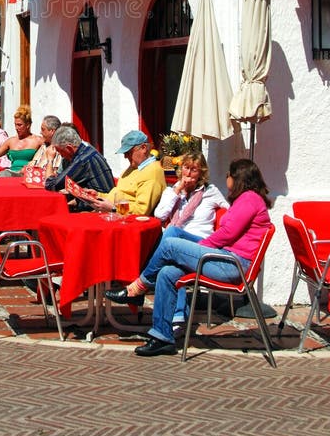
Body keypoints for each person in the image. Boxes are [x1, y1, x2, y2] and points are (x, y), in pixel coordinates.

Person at [106, 158, 272, 356]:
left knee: (169, 244)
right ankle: (162, 337)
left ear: (238, 178)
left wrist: (198, 248)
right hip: (224, 259)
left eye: (229, 175)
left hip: (232, 265)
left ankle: (138, 287)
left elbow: (227, 233)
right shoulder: (245, 199)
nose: (226, 178)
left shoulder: (249, 199)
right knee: (167, 272)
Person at [106, 146, 228, 325]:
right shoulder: (173, 191)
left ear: (201, 172)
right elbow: (160, 215)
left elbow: (229, 212)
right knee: (170, 265)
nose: (188, 173)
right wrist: (177, 191)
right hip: (176, 245)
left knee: (170, 234)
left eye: (193, 169)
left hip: (198, 243)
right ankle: (178, 317)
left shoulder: (210, 192)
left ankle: (139, 285)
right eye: (186, 168)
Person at [85, 130, 166, 216]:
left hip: (130, 224)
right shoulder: (134, 167)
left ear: (143, 148)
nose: (125, 156)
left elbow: (141, 211)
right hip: (115, 216)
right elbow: (119, 195)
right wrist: (98, 195)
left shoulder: (152, 172)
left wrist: (113, 208)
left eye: (128, 152)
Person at [44, 124, 115, 211]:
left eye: (60, 151)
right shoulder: (87, 151)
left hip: (101, 209)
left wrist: (50, 160)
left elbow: (50, 185)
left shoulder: (82, 161)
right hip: (94, 203)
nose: (60, 155)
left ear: (69, 148)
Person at [0, 105, 42, 176]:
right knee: (3, 174)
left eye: (20, 125)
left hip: (29, 174)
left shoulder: (38, 140)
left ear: (28, 125)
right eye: (15, 125)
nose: (16, 128)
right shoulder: (11, 141)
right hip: (12, 172)